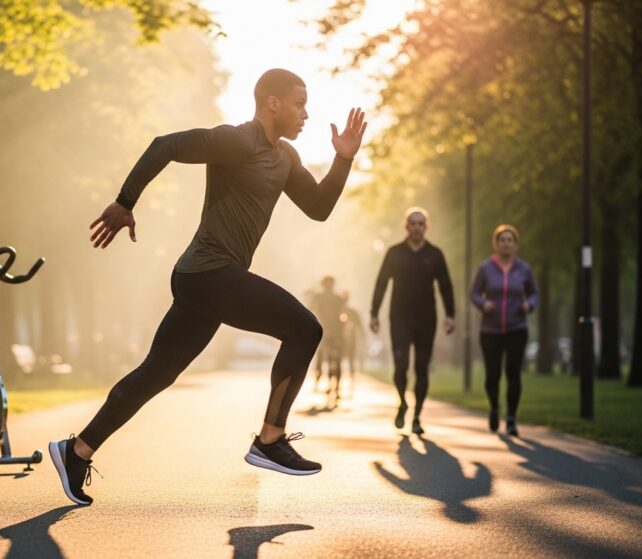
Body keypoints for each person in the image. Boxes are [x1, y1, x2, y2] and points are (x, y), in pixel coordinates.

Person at [48, 69, 368, 506]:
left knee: (157, 372)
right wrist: (125, 202)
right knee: (305, 329)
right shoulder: (236, 141)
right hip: (207, 272)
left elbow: (318, 208)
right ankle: (270, 439)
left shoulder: (286, 158)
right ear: (271, 102)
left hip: (210, 279)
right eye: (298, 104)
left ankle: (76, 450)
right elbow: (165, 146)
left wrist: (343, 160)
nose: (306, 114)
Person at [370, 208, 455, 435]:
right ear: (406, 226)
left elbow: (446, 286)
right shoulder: (394, 253)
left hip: (427, 319)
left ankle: (417, 416)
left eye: (421, 223)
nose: (417, 227)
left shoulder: (435, 254)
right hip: (399, 318)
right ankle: (402, 402)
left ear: (426, 227)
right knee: (401, 366)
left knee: (422, 368)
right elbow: (381, 283)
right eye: (413, 223)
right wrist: (374, 313)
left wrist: (450, 315)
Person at [470, 224, 537, 437]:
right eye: (502, 240)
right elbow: (474, 293)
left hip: (517, 327)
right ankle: (494, 408)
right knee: (492, 375)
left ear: (515, 244)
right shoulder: (486, 268)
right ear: (496, 244)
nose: (506, 243)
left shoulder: (524, 269)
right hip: (490, 329)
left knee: (513, 373)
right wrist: (483, 304)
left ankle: (511, 419)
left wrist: (530, 305)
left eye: (510, 240)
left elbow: (534, 293)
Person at [312, 275, 347, 405]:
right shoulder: (319, 298)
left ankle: (336, 387)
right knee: (322, 357)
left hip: (335, 334)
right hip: (323, 333)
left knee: (335, 361)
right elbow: (312, 312)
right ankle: (321, 377)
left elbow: (343, 315)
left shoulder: (337, 299)